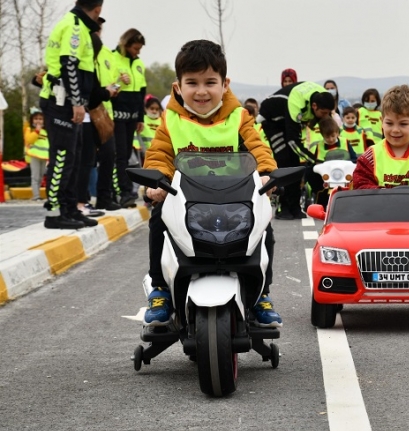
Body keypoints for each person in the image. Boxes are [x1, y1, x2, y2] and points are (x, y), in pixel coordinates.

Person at [142, 39, 282, 328]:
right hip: (187, 201)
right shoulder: (170, 121)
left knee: (264, 226)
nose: (202, 91)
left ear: (225, 84)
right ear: (178, 87)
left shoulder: (239, 118)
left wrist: (267, 172)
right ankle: (159, 289)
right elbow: (159, 155)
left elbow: (258, 148)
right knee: (158, 220)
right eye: (192, 82)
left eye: (210, 82)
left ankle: (261, 294)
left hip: (235, 200)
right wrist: (155, 181)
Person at [39, 0, 102, 229]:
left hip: (67, 102)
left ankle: (69, 209)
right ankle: (54, 214)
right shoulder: (74, 26)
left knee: (73, 159)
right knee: (62, 158)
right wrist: (76, 102)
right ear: (98, 10)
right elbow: (69, 65)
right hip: (60, 101)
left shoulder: (80, 27)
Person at [257, 80, 335, 220]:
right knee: (284, 160)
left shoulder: (322, 96)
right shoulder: (296, 103)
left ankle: (295, 207)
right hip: (272, 120)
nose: (325, 116)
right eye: (323, 113)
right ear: (314, 106)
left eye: (328, 113)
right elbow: (294, 141)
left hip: (286, 118)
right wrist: (314, 160)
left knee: (295, 163)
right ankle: (283, 207)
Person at [77, 17, 119, 218]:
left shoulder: (106, 54)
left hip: (101, 112)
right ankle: (79, 201)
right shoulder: (81, 52)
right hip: (85, 112)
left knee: (103, 155)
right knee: (84, 160)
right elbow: (90, 90)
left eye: (99, 28)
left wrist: (114, 88)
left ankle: (101, 197)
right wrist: (105, 92)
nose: (97, 31)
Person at [112, 28, 146, 208]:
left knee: (127, 155)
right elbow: (106, 85)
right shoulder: (112, 58)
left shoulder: (139, 64)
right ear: (126, 44)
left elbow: (142, 92)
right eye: (135, 48)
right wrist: (118, 80)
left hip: (133, 116)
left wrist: (141, 117)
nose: (137, 52)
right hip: (116, 115)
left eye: (139, 49)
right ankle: (123, 192)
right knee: (121, 155)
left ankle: (126, 190)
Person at [306, 116, 357, 210]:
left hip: (344, 173)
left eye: (333, 136)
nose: (330, 139)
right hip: (328, 176)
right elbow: (318, 162)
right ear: (322, 135)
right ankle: (320, 205)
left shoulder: (345, 142)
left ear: (337, 132)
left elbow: (354, 157)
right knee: (310, 173)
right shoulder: (320, 146)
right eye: (327, 136)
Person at [23, 108, 49, 201]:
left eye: (40, 119)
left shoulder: (46, 131)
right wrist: (36, 131)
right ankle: (36, 195)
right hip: (34, 156)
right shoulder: (30, 129)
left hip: (44, 156)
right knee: (35, 176)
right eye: (36, 118)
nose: (38, 121)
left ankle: (37, 194)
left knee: (41, 175)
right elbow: (29, 140)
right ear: (32, 120)